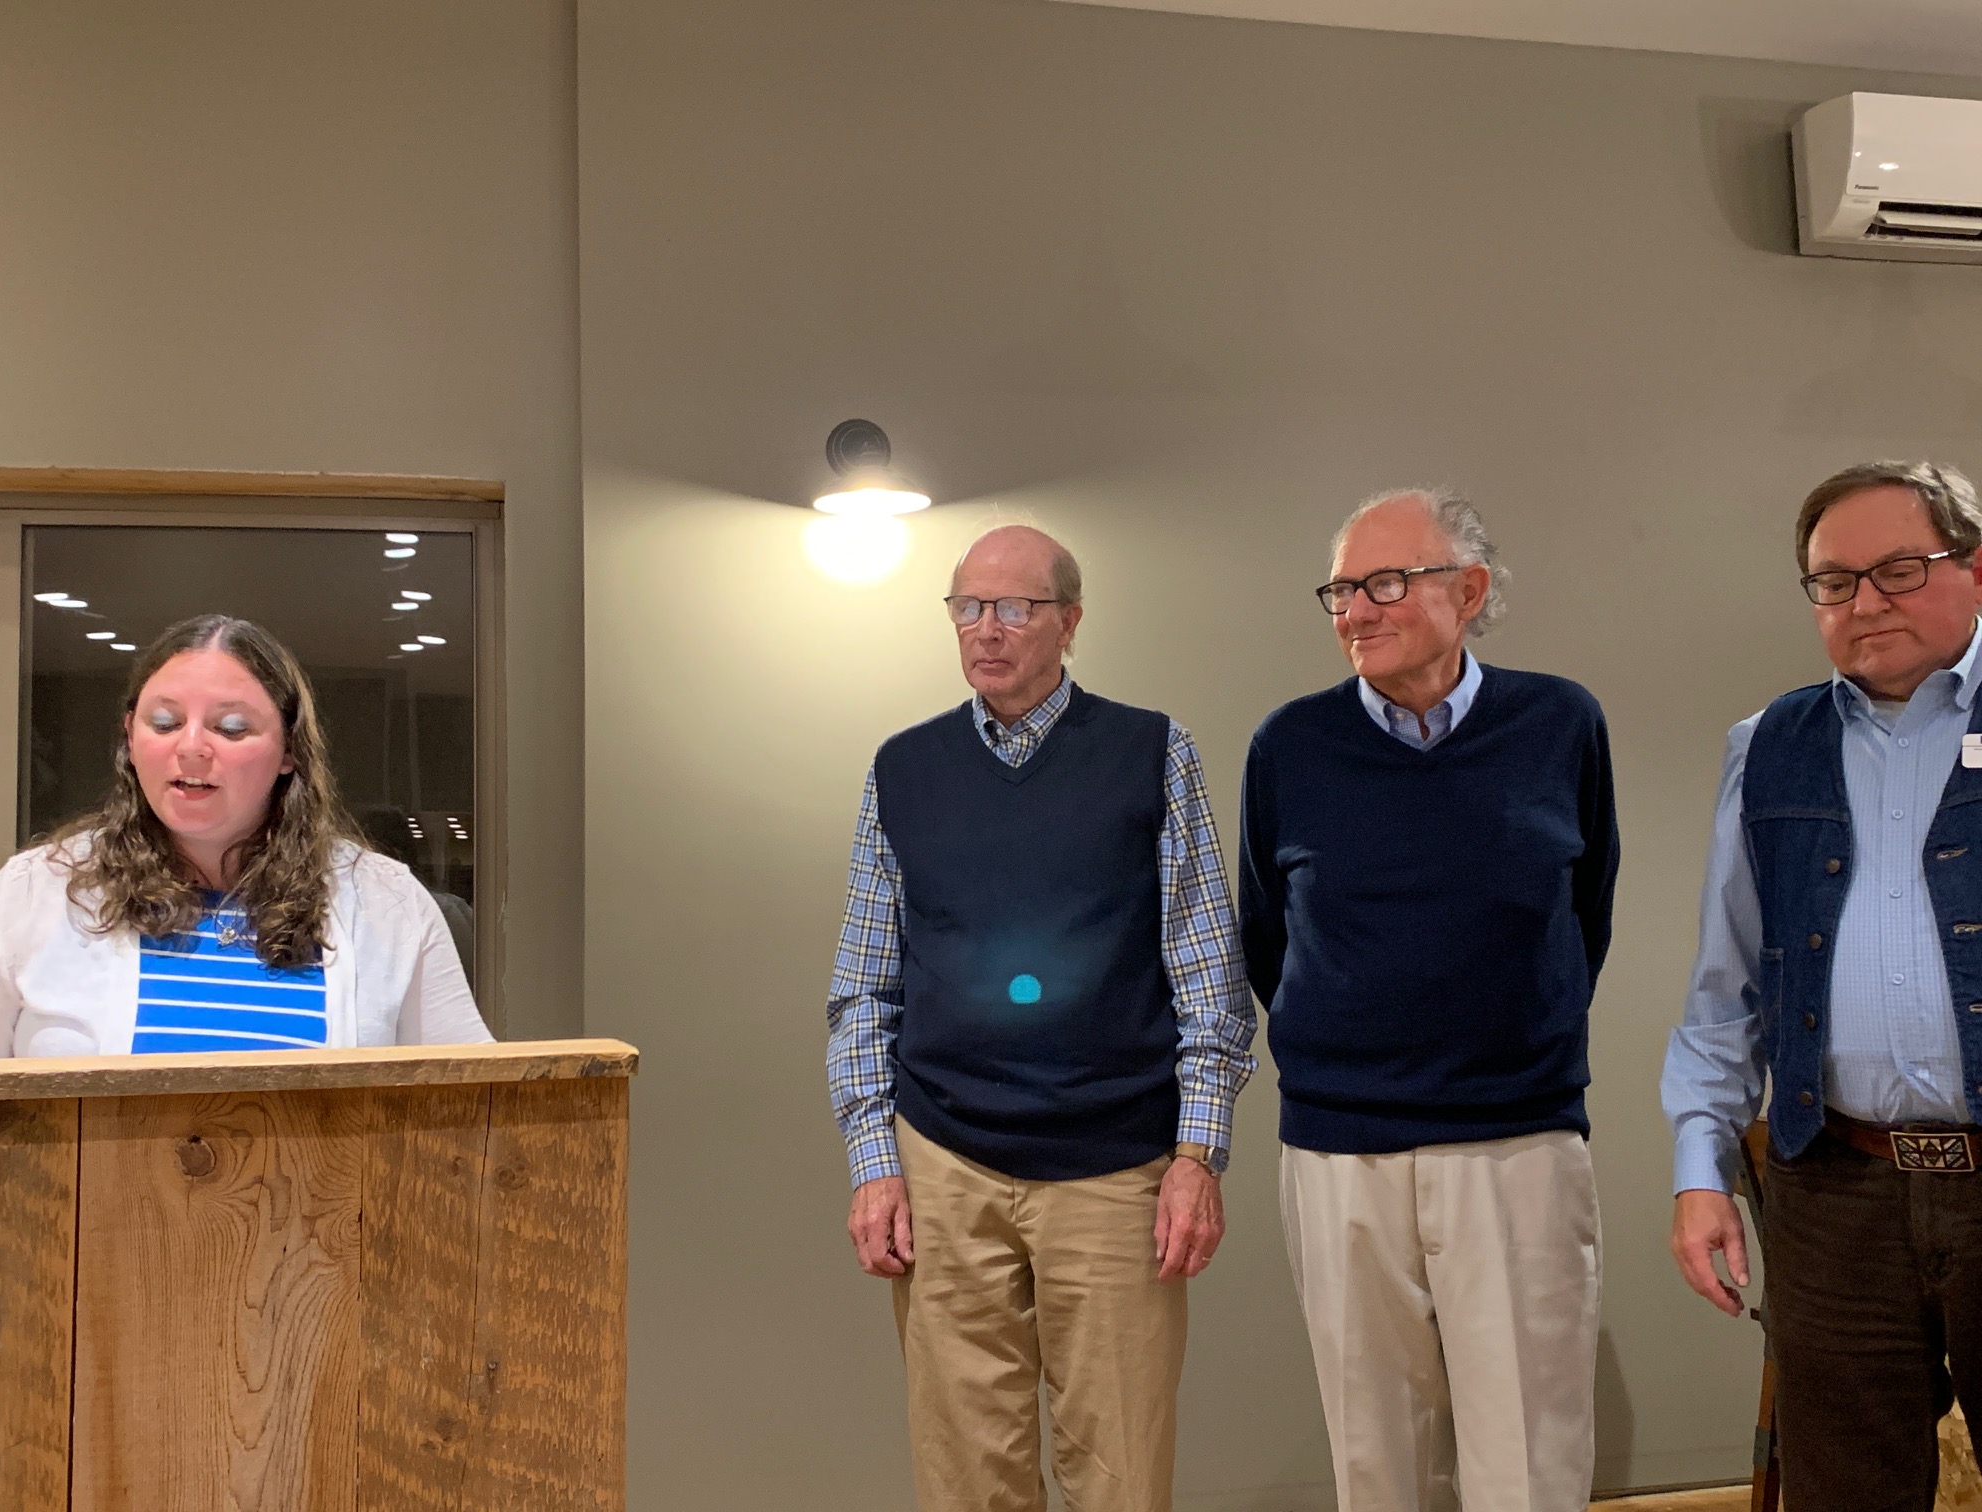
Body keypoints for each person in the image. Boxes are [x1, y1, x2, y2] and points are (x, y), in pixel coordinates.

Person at [825, 523, 1256, 1512]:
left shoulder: (1152, 753)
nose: (987, 628)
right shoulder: (904, 769)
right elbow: (863, 986)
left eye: (1016, 607)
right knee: (966, 1478)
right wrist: (874, 1162)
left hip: (1115, 1169)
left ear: (1070, 620)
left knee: (1121, 1474)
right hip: (945, 1166)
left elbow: (1208, 975)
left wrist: (1198, 1157)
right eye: (968, 606)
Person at [1240, 487, 1618, 1512]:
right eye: (1341, 591)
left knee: (1530, 1460)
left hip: (1517, 1142)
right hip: (1341, 1150)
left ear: (1471, 590)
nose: (1356, 611)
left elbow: (1584, 911)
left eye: (1386, 583)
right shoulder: (1289, 745)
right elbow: (1268, 933)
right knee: (1376, 1462)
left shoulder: (1561, 723)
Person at [1664, 460, 1982, 1510]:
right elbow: (1725, 992)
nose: (1865, 601)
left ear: (1975, 568)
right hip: (1837, 1190)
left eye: (1899, 569)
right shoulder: (1767, 748)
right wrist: (1701, 1171)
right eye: (1835, 581)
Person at [0, 614, 491, 1057]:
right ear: (130, 737)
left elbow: (469, 1099)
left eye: (232, 728)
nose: (191, 746)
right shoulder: (31, 893)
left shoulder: (386, 902)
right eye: (164, 723)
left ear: (290, 751)